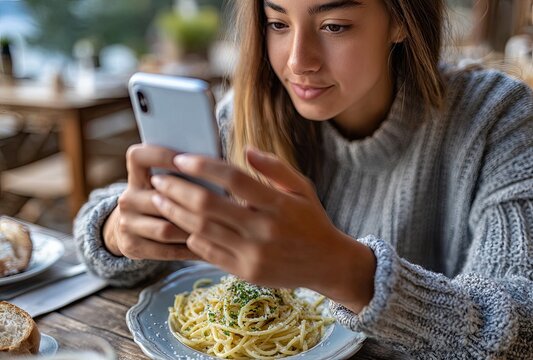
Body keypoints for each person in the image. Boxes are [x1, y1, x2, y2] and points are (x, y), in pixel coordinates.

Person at [74, 0, 533, 358]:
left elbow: (521, 326)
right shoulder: (247, 113)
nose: (298, 61)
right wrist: (117, 231)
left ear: (401, 20)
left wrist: (347, 272)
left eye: (334, 25)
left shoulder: (497, 119)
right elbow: (97, 233)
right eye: (278, 23)